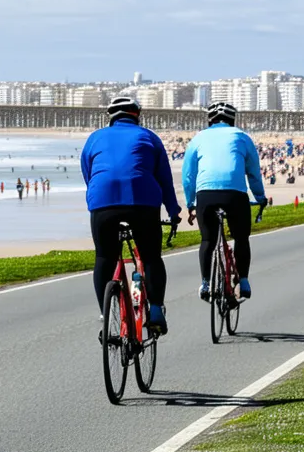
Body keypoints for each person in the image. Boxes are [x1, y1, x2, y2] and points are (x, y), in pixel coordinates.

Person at [81, 97, 181, 335]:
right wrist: (174, 211)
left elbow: (89, 174)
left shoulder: (95, 138)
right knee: (151, 258)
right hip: (143, 201)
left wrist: (99, 200)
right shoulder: (148, 137)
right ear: (137, 116)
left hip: (103, 201)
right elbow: (164, 179)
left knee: (104, 257)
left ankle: (106, 316)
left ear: (111, 117)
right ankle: (156, 309)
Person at [182, 102, 266, 302]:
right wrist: (260, 197)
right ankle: (243, 280)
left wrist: (190, 203)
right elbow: (253, 173)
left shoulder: (198, 138)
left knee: (207, 240)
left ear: (209, 120)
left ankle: (205, 283)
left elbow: (188, 176)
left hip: (206, 194)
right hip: (235, 194)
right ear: (232, 120)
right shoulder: (242, 136)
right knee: (241, 238)